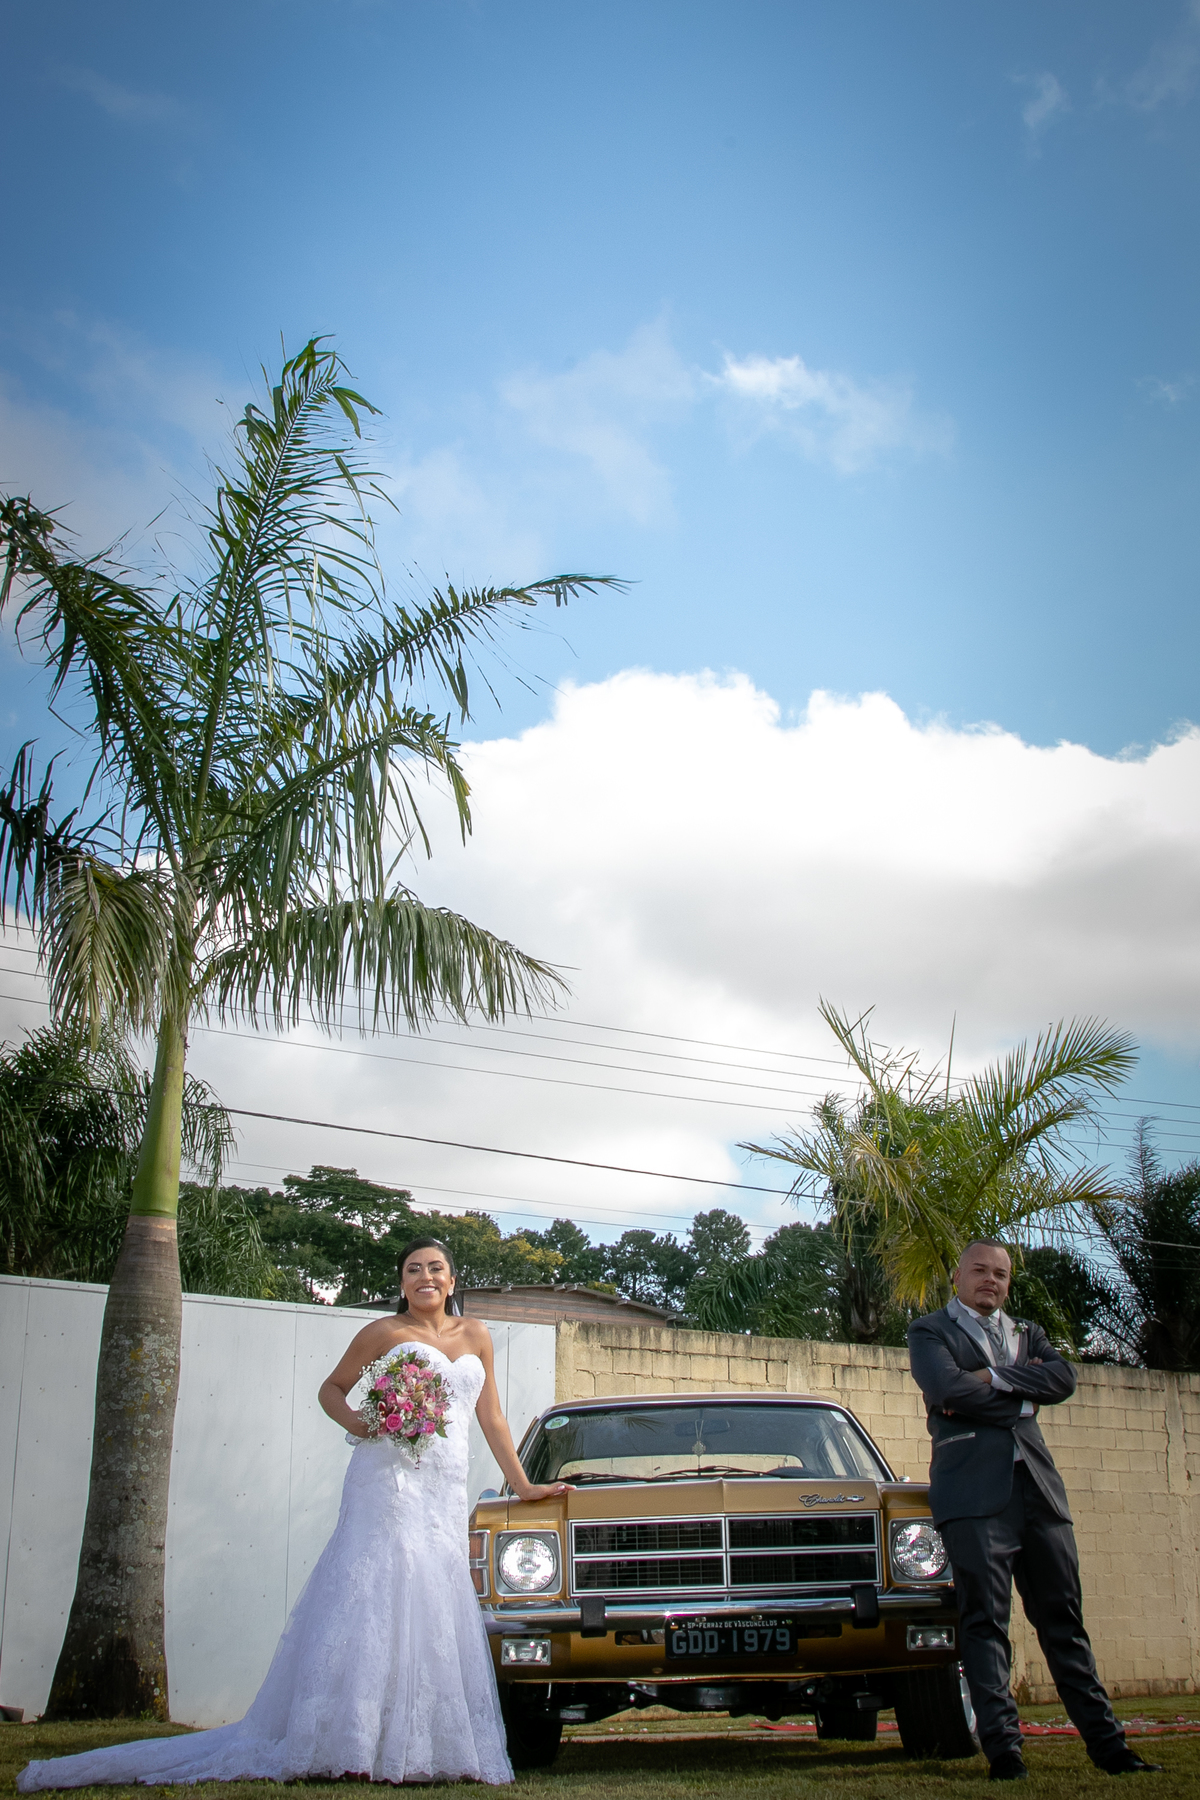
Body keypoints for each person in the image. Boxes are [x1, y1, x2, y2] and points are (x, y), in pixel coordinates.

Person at [18, 1236, 567, 1790]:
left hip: (442, 1490)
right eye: (413, 1269)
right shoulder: (382, 1333)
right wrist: (363, 1424)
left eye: (436, 1268)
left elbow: (491, 1416)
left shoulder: (476, 1335)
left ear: (452, 1279)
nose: (425, 1276)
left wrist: (523, 1486)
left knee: (433, 1593)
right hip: (387, 1483)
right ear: (402, 1283)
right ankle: (348, 1741)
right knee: (378, 1589)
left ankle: (423, 1743)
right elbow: (332, 1389)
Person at [908, 1239, 1158, 1782]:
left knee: (1064, 1622)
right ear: (957, 1277)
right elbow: (947, 1388)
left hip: (1041, 1493)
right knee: (985, 1624)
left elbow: (1063, 1379)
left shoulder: (1028, 1332)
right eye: (980, 1270)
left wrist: (989, 1378)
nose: (990, 1280)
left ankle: (1111, 1749)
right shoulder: (929, 1331)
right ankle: (1005, 1754)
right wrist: (1023, 1396)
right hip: (973, 1497)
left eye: (1000, 1274)